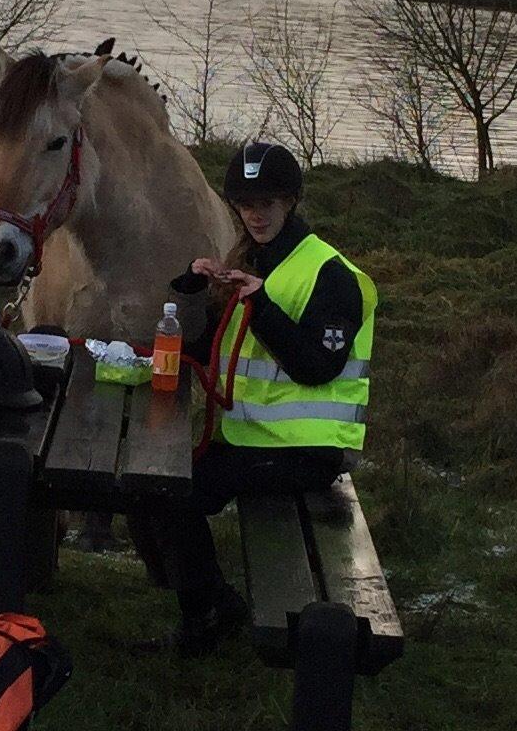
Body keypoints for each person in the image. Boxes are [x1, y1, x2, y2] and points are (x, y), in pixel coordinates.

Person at [147, 140, 377, 656]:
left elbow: (317, 368)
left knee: (170, 493)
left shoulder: (332, 276)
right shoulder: (255, 260)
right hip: (253, 438)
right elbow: (213, 350)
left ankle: (208, 615)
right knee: (156, 485)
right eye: (245, 204)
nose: (255, 214)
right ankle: (207, 600)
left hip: (311, 451)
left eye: (267, 203)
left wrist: (261, 305)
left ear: (290, 202)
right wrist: (191, 291)